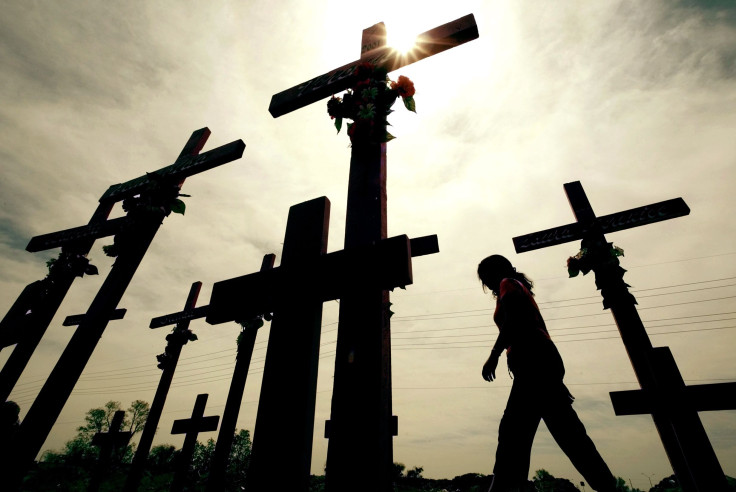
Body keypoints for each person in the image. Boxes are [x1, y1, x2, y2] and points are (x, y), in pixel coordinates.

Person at [478, 255, 617, 492]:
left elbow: (514, 320)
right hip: (539, 362)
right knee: (563, 430)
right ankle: (607, 485)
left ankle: (506, 487)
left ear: (496, 272)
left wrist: (494, 355)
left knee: (514, 432)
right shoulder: (515, 286)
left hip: (534, 362)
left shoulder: (508, 284)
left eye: (487, 276)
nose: (487, 283)